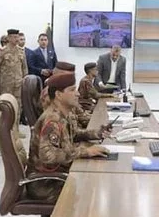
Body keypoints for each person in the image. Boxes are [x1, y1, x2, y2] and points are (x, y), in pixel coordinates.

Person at [26, 73, 110, 202]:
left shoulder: (64, 114)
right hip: (46, 183)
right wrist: (85, 151)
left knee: (96, 183)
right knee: (92, 195)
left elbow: (74, 134)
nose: (77, 94)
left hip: (59, 173)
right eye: (72, 90)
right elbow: (48, 156)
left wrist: (97, 133)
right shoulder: (52, 120)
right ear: (59, 95)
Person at [40, 61, 91, 129]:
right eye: (67, 77)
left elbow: (80, 114)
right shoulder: (49, 95)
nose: (70, 80)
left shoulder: (68, 94)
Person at [0, 29, 28, 123]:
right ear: (8, 38)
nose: (16, 39)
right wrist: (3, 78)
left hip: (18, 83)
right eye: (14, 37)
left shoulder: (21, 51)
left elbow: (24, 67)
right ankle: (6, 129)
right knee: (6, 106)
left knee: (18, 105)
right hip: (6, 84)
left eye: (17, 37)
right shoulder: (2, 51)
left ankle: (16, 129)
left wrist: (24, 78)